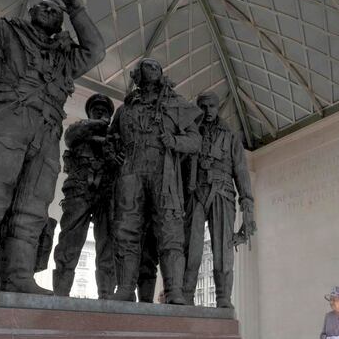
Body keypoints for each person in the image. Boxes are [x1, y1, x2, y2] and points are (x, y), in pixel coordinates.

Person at [0, 0, 105, 294]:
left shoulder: (64, 55)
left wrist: (76, 9)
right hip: (8, 119)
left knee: (33, 210)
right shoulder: (4, 30)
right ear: (31, 11)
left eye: (57, 11)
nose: (51, 10)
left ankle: (19, 277)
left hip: (47, 131)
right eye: (44, 6)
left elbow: (96, 51)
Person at [107, 58, 201, 304]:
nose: (151, 69)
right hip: (131, 173)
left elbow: (195, 141)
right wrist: (113, 151)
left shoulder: (176, 105)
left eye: (156, 67)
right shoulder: (125, 110)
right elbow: (111, 139)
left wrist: (175, 142)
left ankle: (174, 292)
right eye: (146, 66)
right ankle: (125, 288)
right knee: (126, 229)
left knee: (170, 231)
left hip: (163, 175)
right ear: (136, 74)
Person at [183, 91, 255, 308]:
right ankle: (185, 295)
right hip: (195, 193)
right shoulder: (190, 132)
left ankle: (223, 298)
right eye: (203, 107)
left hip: (222, 193)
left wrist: (247, 204)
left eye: (211, 106)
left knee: (223, 248)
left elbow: (241, 171)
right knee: (190, 247)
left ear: (217, 108)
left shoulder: (231, 135)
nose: (207, 111)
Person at [53, 94, 116, 298]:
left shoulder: (115, 137)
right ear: (89, 112)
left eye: (104, 110)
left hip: (107, 192)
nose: (100, 112)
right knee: (70, 238)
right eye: (96, 109)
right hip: (79, 190)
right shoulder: (78, 128)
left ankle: (106, 293)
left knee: (108, 244)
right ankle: (61, 291)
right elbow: (71, 136)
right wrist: (98, 127)